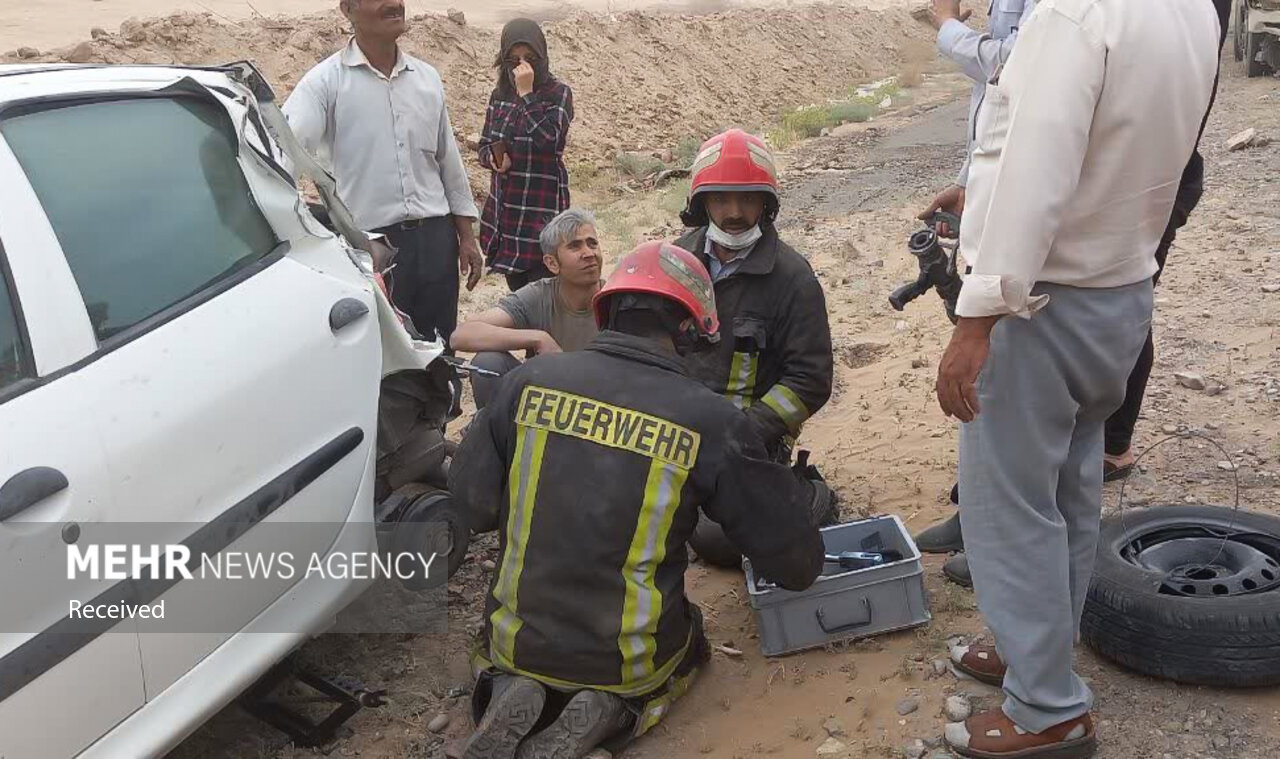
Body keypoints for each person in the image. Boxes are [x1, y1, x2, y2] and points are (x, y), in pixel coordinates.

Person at [932, 0, 1220, 755]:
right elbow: (1121, 146)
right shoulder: (1189, 11)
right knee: (1069, 490)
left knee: (1011, 506)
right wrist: (982, 199)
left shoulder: (1074, 13)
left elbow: (1036, 162)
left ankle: (1048, 707)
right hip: (1121, 290)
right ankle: (1036, 651)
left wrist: (976, 318)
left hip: (1041, 304)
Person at [449, 241, 823, 759]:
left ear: (609, 312)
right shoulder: (710, 419)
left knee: (512, 650)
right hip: (623, 660)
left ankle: (514, 686)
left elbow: (471, 508)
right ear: (693, 332)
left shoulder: (525, 383)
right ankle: (617, 711)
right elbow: (796, 565)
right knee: (691, 643)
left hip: (515, 641)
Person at [911, 0, 1036, 589]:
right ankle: (978, 519)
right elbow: (998, 117)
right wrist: (967, 185)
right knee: (990, 392)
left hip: (1032, 235)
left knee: (1011, 393)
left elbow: (1016, 71)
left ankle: (999, 541)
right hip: (997, 216)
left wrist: (945, 26)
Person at [671, 129, 837, 567]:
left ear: (767, 204)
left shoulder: (793, 280)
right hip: (673, 433)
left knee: (720, 544)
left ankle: (804, 493)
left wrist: (746, 430)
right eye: (721, 199)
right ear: (701, 203)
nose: (735, 213)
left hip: (745, 442)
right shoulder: (674, 264)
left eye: (748, 199)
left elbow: (810, 380)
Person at [283, 0, 483, 348]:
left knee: (440, 346)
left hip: (436, 239)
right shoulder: (324, 84)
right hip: (374, 246)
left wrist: (466, 236)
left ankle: (443, 403)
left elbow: (448, 160)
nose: (395, 4)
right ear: (348, 9)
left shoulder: (427, 79)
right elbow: (282, 151)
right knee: (385, 355)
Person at [1102, 0, 1233, 481]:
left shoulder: (1192, 10)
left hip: (1148, 177)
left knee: (1125, 305)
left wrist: (949, 30)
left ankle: (1112, 446)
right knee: (1120, 304)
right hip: (1148, 173)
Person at [451, 209, 603, 409]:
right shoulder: (539, 295)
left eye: (592, 244)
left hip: (602, 403)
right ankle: (497, 436)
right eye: (575, 247)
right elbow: (462, 334)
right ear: (552, 263)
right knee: (488, 363)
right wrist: (538, 338)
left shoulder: (616, 298)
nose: (589, 254)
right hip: (549, 399)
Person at [479, 18, 575, 292]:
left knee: (547, 295)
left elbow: (550, 141)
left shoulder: (559, 94)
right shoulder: (499, 96)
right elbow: (485, 144)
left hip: (540, 212)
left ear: (542, 58)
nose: (522, 66)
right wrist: (494, 160)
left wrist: (527, 94)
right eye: (514, 60)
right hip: (507, 218)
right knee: (520, 298)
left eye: (530, 58)